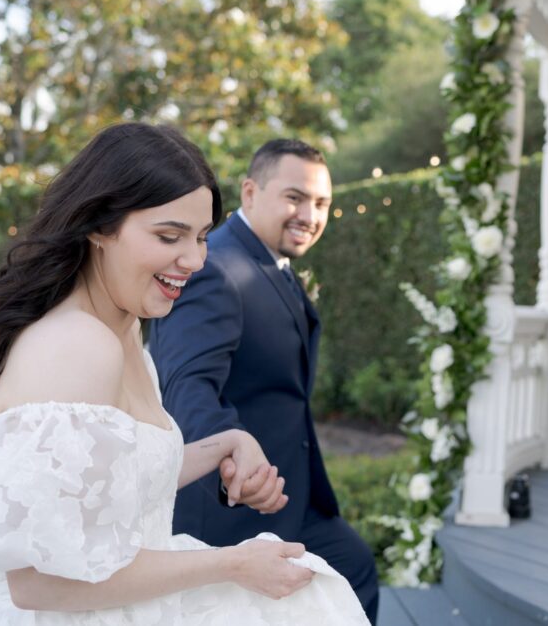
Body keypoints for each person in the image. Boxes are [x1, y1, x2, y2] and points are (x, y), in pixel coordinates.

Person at [0, 123, 369, 625]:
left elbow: (118, 480)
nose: (194, 260)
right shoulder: (76, 346)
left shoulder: (123, 329)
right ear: (99, 227)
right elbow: (40, 580)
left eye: (202, 237)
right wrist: (232, 563)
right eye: (169, 236)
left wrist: (223, 444)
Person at [149, 139, 379, 623]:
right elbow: (188, 388)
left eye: (322, 204)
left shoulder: (272, 266)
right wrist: (235, 467)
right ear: (250, 193)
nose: (310, 215)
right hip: (235, 505)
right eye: (295, 197)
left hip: (293, 500)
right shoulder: (215, 268)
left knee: (352, 569)